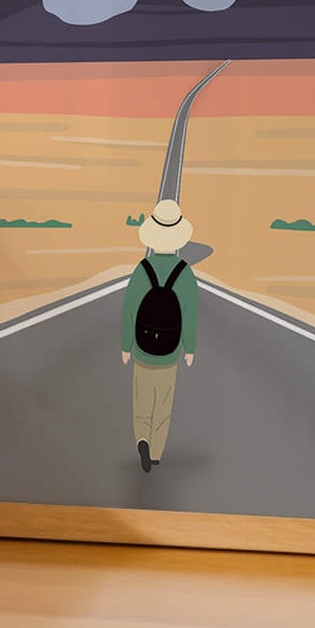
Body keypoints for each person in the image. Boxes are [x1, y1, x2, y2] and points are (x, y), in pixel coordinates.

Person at [119, 199, 199, 472]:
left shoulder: (142, 270)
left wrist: (125, 345)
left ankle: (141, 437)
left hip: (142, 350)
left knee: (141, 401)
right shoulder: (185, 273)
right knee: (163, 406)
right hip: (169, 353)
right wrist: (189, 348)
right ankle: (154, 452)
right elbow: (190, 314)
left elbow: (129, 308)